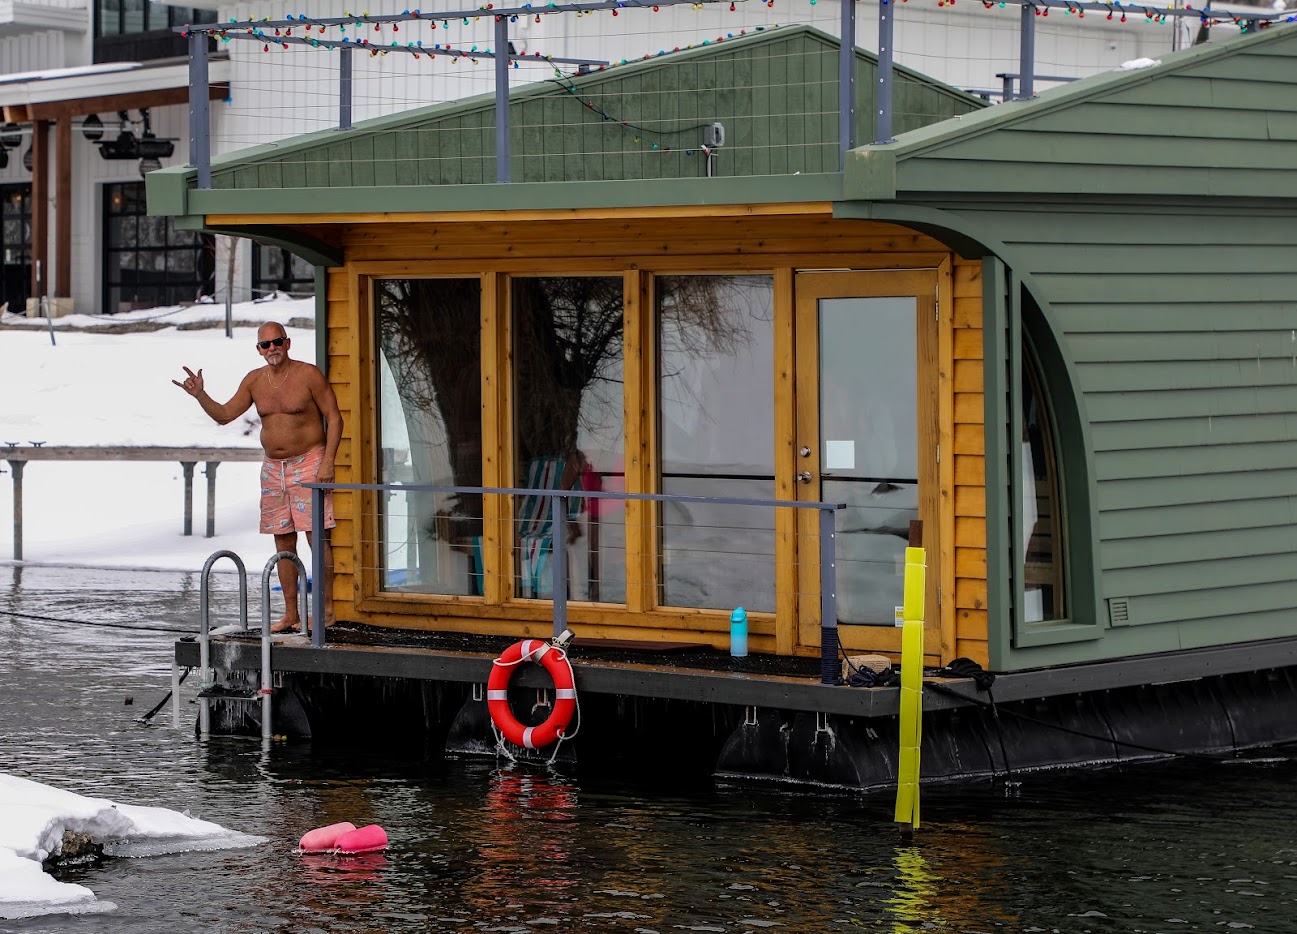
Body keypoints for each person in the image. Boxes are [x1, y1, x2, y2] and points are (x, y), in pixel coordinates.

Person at [173, 322, 341, 633]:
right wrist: (200, 394)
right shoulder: (254, 381)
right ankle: (291, 614)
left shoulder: (308, 375)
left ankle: (326, 611)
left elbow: (334, 417)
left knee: (316, 538)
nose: (272, 348)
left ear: (287, 343)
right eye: (265, 344)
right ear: (258, 350)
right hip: (273, 469)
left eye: (277, 342)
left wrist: (328, 462)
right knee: (283, 540)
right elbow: (225, 415)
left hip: (309, 462)